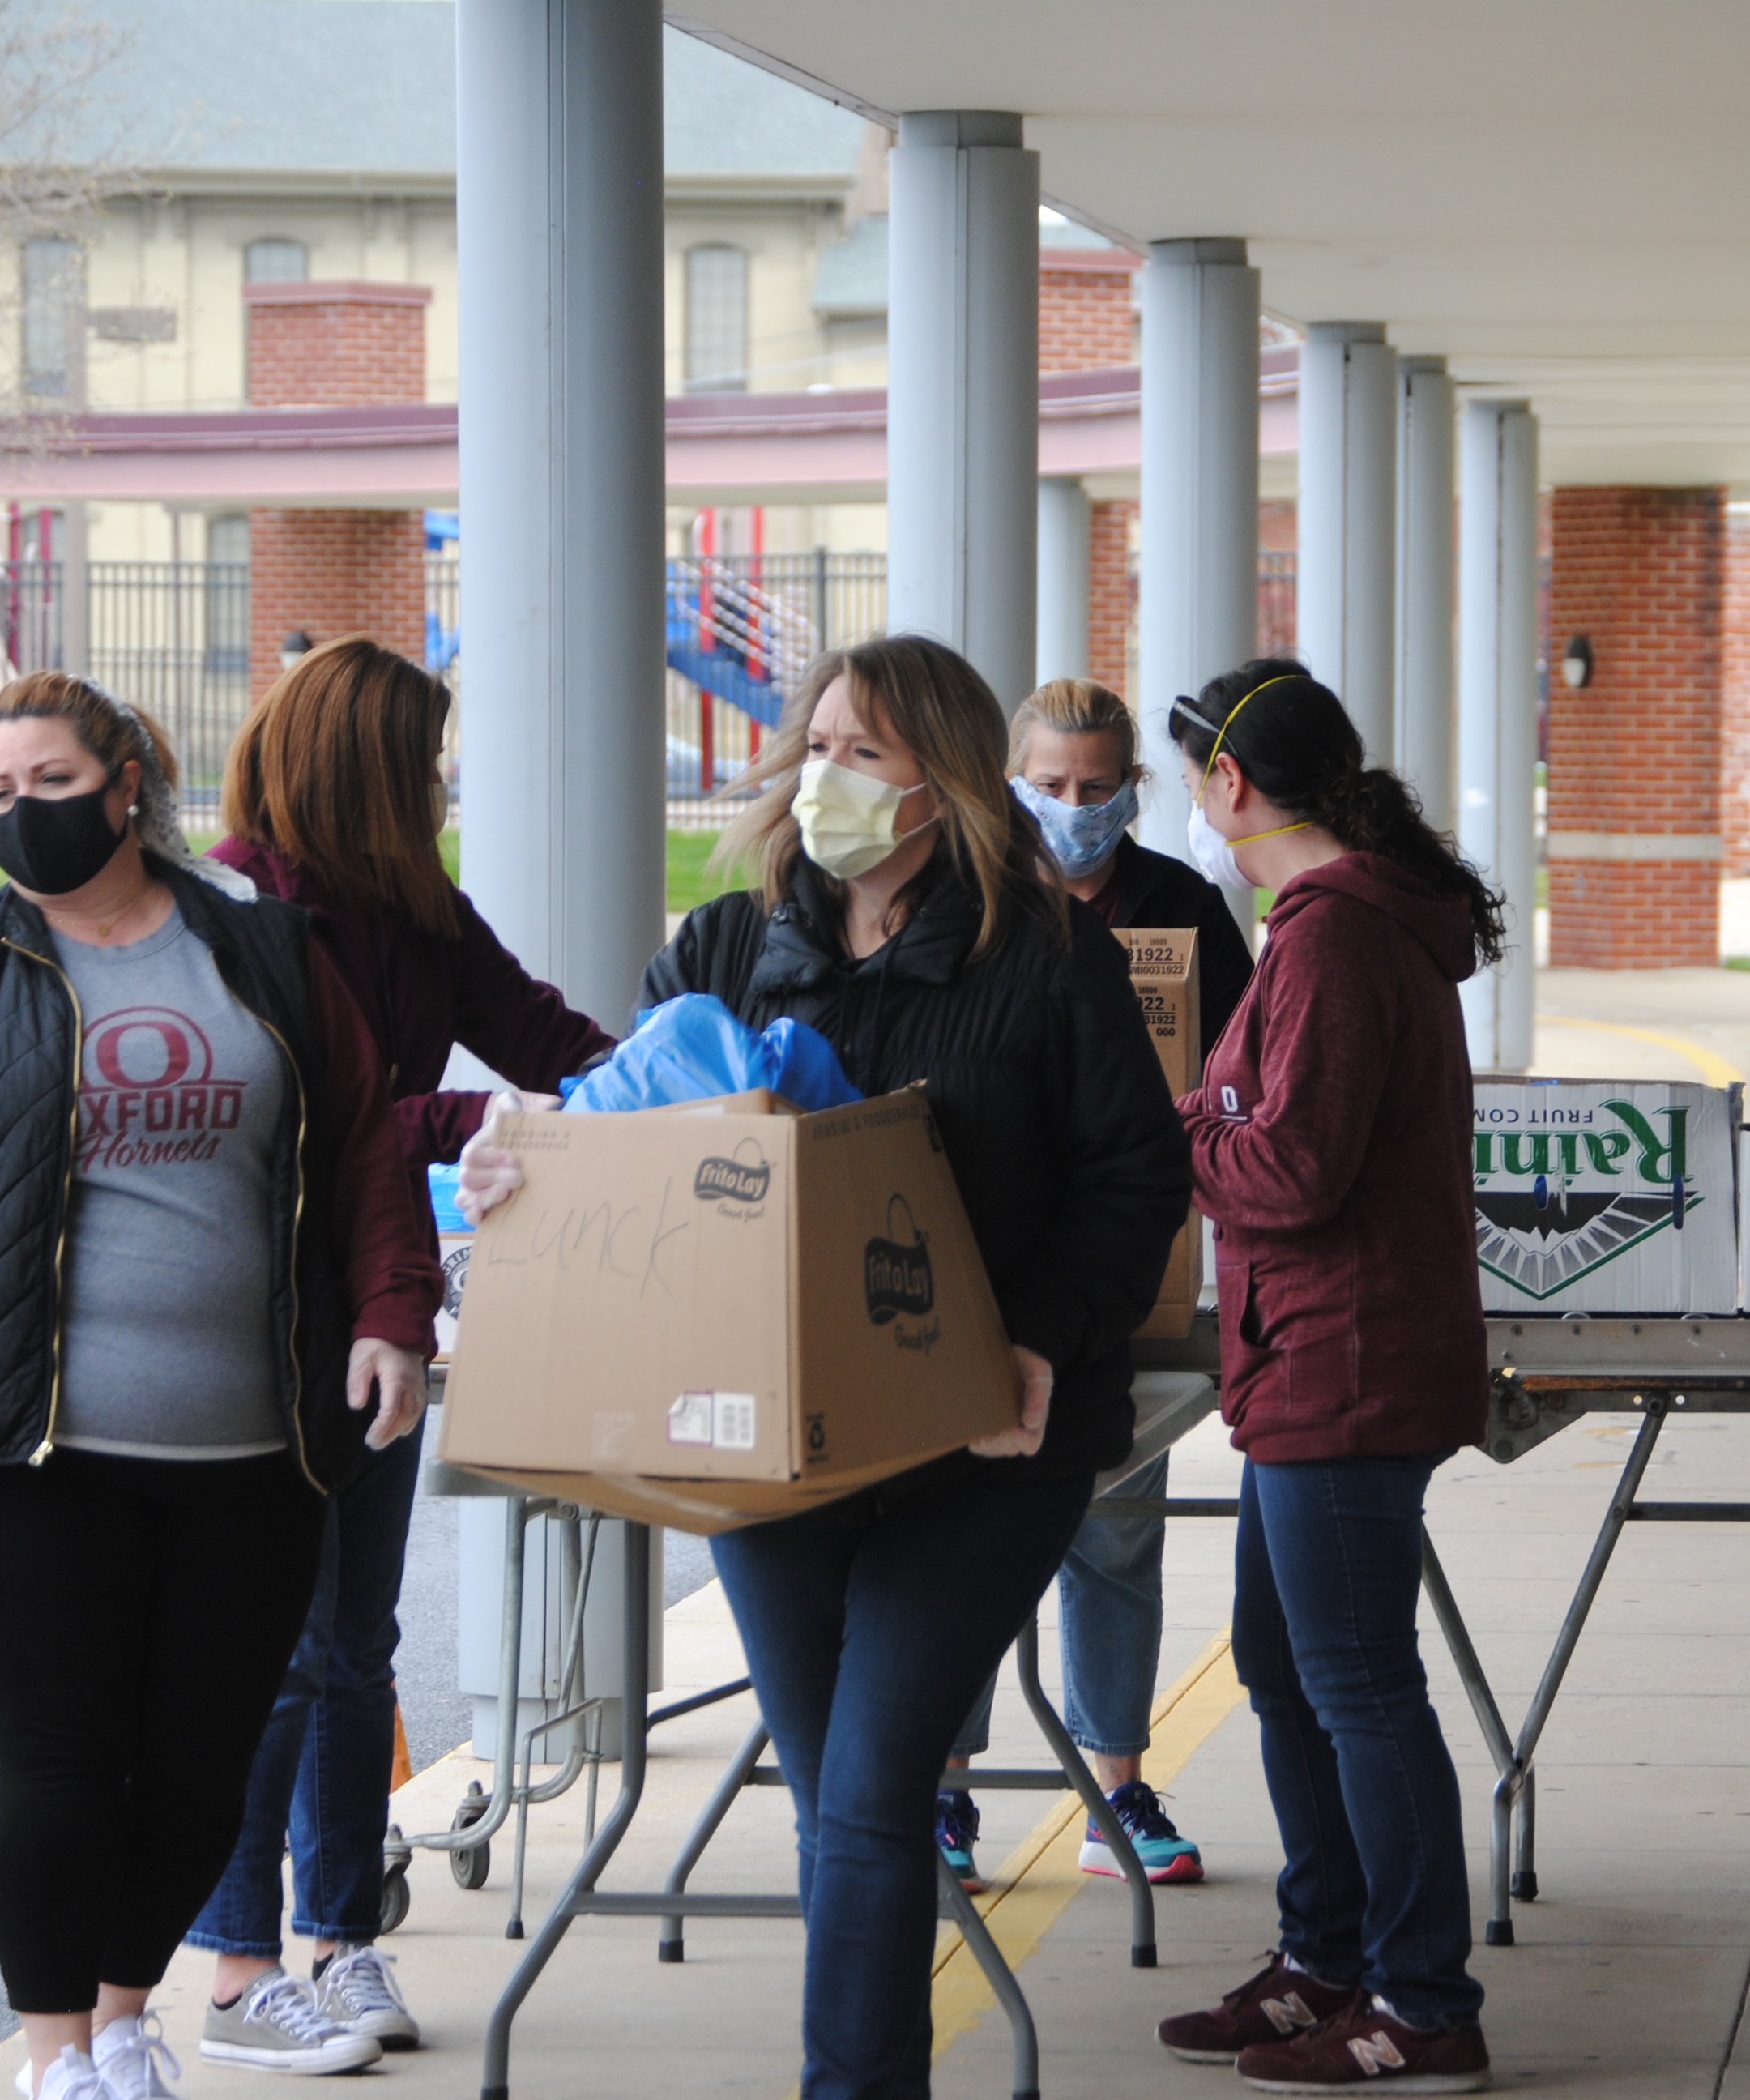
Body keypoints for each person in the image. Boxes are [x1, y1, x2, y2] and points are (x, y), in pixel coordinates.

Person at [456, 634, 1189, 2100]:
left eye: (867, 753)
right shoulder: (729, 946)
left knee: (869, 1791)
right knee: (832, 1800)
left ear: (946, 784)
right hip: (773, 1441)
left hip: (980, 1433)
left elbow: (1137, 1175)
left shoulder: (1045, 957)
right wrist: (523, 1160)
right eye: (818, 746)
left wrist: (1038, 1337)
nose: (826, 777)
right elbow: (627, 1123)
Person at [0, 674, 443, 2100]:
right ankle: (56, 2053)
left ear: (129, 782)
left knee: (199, 1758)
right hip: (6, 1446)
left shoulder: (269, 956)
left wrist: (391, 1316)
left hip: (251, 1443)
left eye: (51, 783)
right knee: (65, 1747)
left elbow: (370, 1159)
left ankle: (131, 2013)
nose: (24, 815)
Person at [182, 634, 618, 2064]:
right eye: (424, 762)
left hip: (385, 1310)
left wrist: (684, 1083)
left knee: (355, 1646)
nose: (441, 785)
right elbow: (321, 1121)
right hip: (254, 1321)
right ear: (361, 769)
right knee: (270, 1653)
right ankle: (243, 1969)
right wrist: (481, 1129)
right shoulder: (236, 912)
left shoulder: (420, 906)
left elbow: (540, 1034)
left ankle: (342, 1940)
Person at [1151, 661, 1501, 2094]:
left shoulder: (1334, 939)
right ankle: (1326, 1960)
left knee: (1358, 1685)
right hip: (1311, 1358)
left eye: (1187, 778)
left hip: (1345, 1363)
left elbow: (1290, 1166)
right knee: (1287, 1672)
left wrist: (1155, 1145)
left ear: (1230, 784)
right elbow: (1257, 1110)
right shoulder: (1326, 927)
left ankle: (1423, 2005)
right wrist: (1181, 1114)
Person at [934, 676, 1255, 1893]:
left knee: (1115, 1529)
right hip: (978, 1267)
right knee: (956, 1538)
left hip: (1131, 1269)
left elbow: (1237, 1062)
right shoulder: (969, 901)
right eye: (1051, 786)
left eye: (1098, 788)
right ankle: (944, 1792)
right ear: (1011, 783)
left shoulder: (1179, 905)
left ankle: (1116, 1792)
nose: (1075, 810)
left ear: (1133, 788)